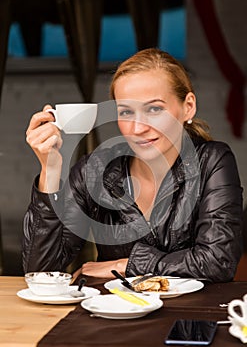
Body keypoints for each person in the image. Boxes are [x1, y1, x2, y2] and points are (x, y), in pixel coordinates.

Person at [23, 48, 243, 282]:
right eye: (126, 112)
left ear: (188, 106)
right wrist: (51, 170)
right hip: (115, 316)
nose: (138, 128)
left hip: (191, 317)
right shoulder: (95, 170)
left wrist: (127, 265)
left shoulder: (212, 161)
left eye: (155, 109)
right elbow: (41, 270)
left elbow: (218, 261)